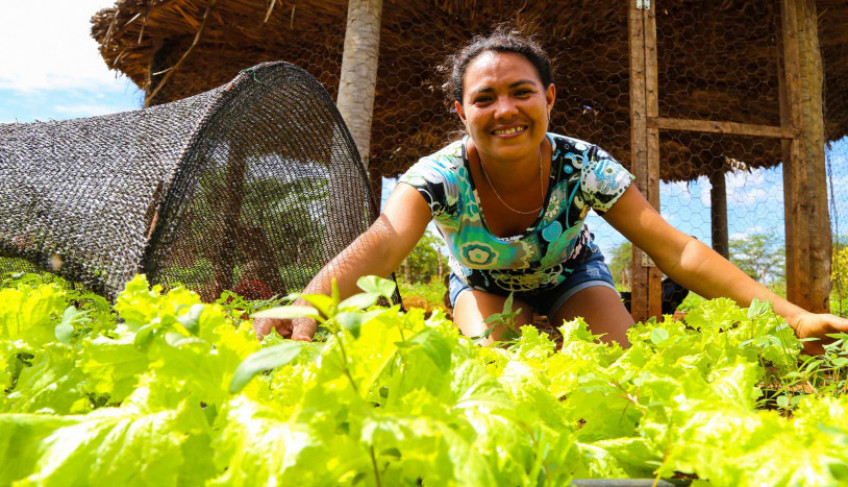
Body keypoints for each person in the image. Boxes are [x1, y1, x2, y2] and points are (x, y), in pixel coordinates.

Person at [255, 27, 848, 355]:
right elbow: (385, 240)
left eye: (522, 92)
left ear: (549, 99)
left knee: (616, 363)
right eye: (484, 99)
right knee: (501, 368)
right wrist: (310, 299)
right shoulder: (437, 176)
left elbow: (678, 252)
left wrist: (793, 317)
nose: (504, 110)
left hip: (574, 275)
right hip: (481, 283)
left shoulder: (585, 165)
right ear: (461, 111)